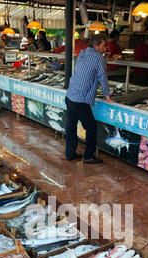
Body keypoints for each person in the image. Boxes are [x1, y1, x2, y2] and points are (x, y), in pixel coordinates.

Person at [65, 33, 112, 164]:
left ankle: (69, 154)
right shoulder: (98, 58)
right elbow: (103, 77)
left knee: (71, 127)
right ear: (96, 46)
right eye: (103, 45)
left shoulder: (83, 53)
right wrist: (107, 96)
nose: (105, 48)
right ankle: (88, 156)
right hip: (80, 100)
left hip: (70, 96)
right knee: (91, 127)